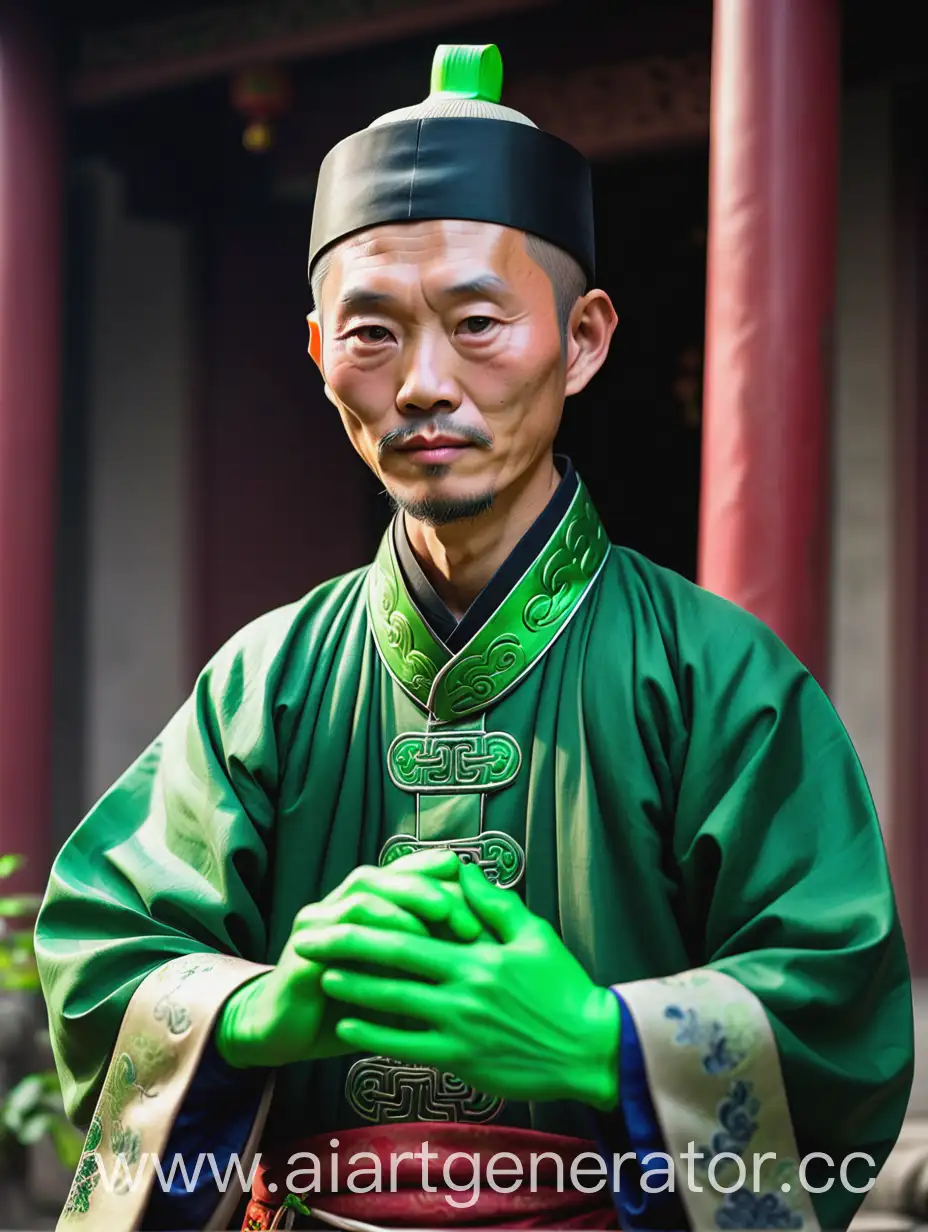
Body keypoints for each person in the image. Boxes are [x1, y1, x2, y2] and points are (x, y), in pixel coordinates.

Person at [36, 42, 912, 1232]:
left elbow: (837, 1016)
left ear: (586, 338)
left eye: (478, 322)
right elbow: (105, 948)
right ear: (317, 353)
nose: (422, 385)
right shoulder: (264, 683)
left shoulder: (721, 681)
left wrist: (596, 1039)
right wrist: (256, 1012)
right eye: (373, 334)